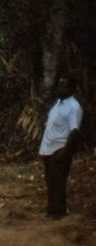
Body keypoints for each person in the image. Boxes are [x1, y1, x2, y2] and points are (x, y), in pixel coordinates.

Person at [38, 77, 83, 219]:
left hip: (59, 150)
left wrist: (65, 152)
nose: (60, 87)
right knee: (51, 181)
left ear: (71, 88)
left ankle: (57, 213)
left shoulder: (73, 107)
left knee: (57, 181)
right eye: (59, 85)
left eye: (64, 85)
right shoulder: (58, 104)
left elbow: (74, 131)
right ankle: (53, 210)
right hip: (48, 150)